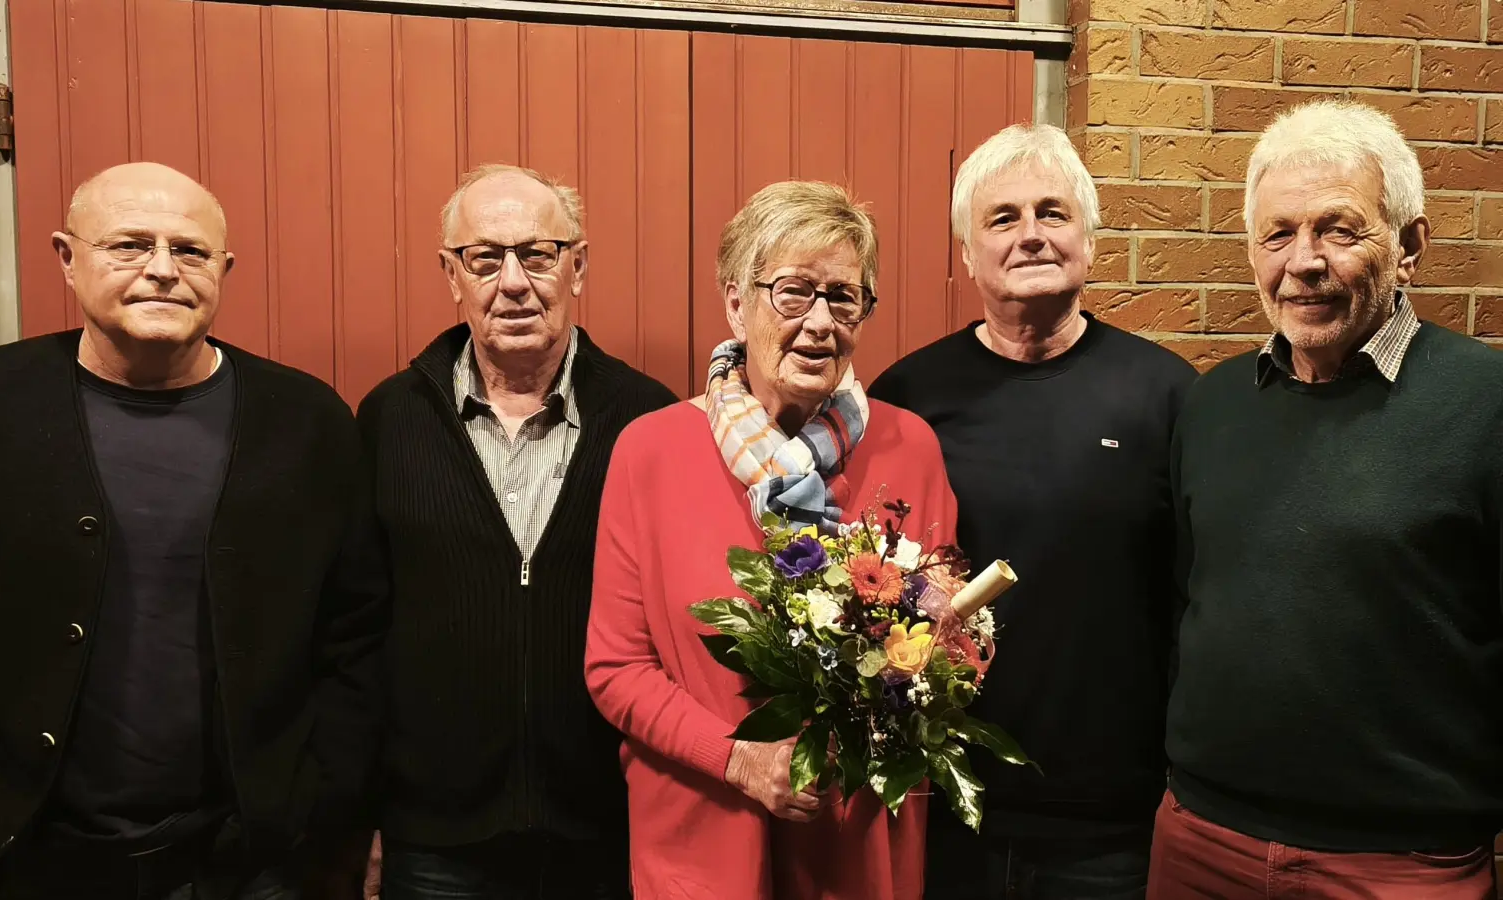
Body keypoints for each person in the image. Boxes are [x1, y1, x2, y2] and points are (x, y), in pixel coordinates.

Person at [0, 162, 387, 899]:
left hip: (247, 860)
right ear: (67, 258)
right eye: (130, 245)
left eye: (190, 251)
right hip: (21, 854)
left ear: (224, 269)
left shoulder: (307, 422)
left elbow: (355, 633)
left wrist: (324, 800)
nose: (163, 271)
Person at [1150, 99, 1503, 899]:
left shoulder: (1487, 406)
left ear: (1409, 246)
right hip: (1204, 840)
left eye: (1338, 230)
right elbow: (1187, 604)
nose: (1303, 261)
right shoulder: (1212, 406)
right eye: (1278, 234)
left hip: (1401, 863)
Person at [584, 180, 958, 899]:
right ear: (735, 302)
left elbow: (954, 636)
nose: (820, 323)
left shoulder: (911, 447)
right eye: (793, 292)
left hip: (857, 844)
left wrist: (928, 666)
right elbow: (615, 667)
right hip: (704, 841)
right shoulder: (651, 451)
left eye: (844, 297)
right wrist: (738, 760)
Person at [868, 123, 1194, 899]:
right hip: (946, 805)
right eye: (1003, 218)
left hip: (1111, 823)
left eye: (1053, 212)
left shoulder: (1169, 395)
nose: (1031, 235)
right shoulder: (910, 397)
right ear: (967, 251)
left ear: (1089, 238)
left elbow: (1198, 598)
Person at [356, 164, 676, 900]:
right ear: (451, 275)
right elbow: (358, 633)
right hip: (434, 837)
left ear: (577, 267)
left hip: (603, 826)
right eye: (484, 258)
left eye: (538, 254)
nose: (513, 281)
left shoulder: (646, 419)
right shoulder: (389, 420)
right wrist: (361, 815)